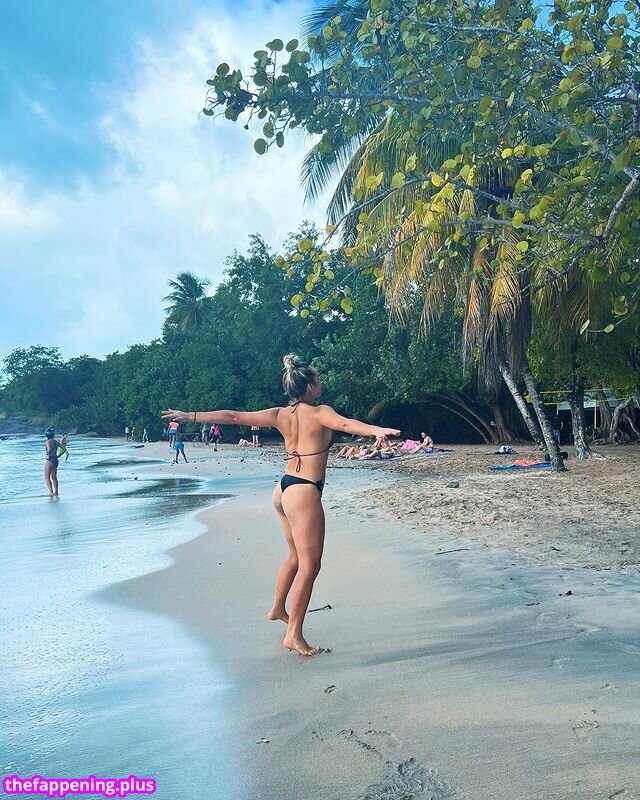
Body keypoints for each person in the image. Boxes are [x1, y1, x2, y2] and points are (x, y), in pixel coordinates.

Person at [161, 353, 400, 657]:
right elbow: (344, 423)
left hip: (284, 488)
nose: (320, 382)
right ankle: (294, 635)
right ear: (310, 387)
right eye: (318, 379)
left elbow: (234, 417)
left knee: (295, 557)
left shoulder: (280, 414)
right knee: (311, 566)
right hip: (303, 492)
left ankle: (277, 608)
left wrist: (190, 415)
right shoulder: (320, 412)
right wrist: (376, 430)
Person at [44, 427, 60, 496]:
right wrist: (58, 455)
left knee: (47, 477)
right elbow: (63, 448)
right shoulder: (55, 441)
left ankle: (51, 492)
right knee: (54, 477)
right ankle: (56, 492)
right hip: (55, 459)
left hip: (50, 460)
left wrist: (47, 455)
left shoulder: (48, 441)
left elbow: (49, 449)